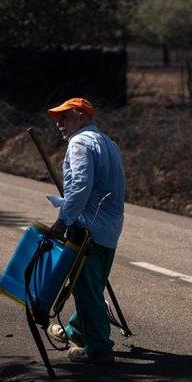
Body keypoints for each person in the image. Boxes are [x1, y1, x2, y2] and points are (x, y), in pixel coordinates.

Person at [44, 97, 126, 365]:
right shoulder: (109, 143)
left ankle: (99, 348)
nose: (60, 125)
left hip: (88, 227)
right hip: (110, 228)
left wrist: (63, 220)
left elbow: (79, 186)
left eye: (64, 118)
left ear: (80, 117)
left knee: (86, 287)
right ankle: (78, 330)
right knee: (92, 284)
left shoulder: (79, 142)